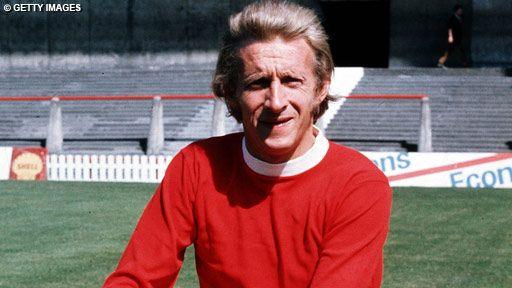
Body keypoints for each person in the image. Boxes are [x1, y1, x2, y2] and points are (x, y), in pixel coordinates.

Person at [103, 1, 392, 287]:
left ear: (320, 88)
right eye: (258, 83)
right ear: (231, 92)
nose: (276, 102)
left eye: (292, 81)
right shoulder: (196, 167)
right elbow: (136, 279)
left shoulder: (358, 184)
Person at [438, 4, 468, 68]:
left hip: (458, 37)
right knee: (449, 51)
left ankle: (464, 63)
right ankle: (441, 62)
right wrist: (450, 36)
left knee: (461, 50)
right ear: (456, 11)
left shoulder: (460, 18)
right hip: (453, 38)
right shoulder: (452, 18)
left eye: (461, 10)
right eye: (459, 10)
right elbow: (449, 28)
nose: (460, 12)